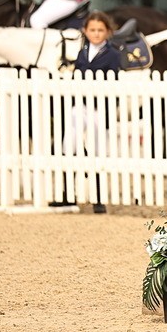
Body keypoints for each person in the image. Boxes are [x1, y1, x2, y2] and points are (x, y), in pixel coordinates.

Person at [63, 11, 121, 213]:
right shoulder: (82, 52)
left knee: (97, 150)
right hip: (80, 105)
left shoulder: (113, 54)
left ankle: (98, 198)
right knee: (69, 144)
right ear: (85, 31)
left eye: (100, 30)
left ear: (107, 32)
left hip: (99, 108)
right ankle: (67, 193)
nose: (96, 34)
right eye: (92, 30)